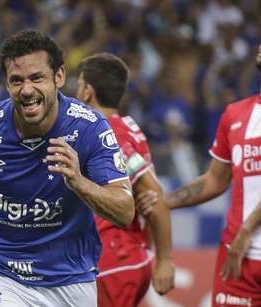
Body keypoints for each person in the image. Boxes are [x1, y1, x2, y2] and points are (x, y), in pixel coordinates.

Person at [0, 30, 135, 307]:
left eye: (37, 78)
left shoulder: (90, 129)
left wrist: (79, 182)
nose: (26, 90)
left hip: (70, 278)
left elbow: (125, 211)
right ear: (6, 83)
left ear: (59, 77)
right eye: (17, 81)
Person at [137, 18, 261, 306]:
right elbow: (214, 180)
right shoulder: (235, 113)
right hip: (237, 256)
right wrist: (164, 201)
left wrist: (247, 230)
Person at [76, 53, 175, 306]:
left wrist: (165, 259)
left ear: (88, 91)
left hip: (112, 257)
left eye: (78, 85)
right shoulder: (128, 126)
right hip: (125, 255)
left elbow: (152, 191)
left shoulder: (108, 132)